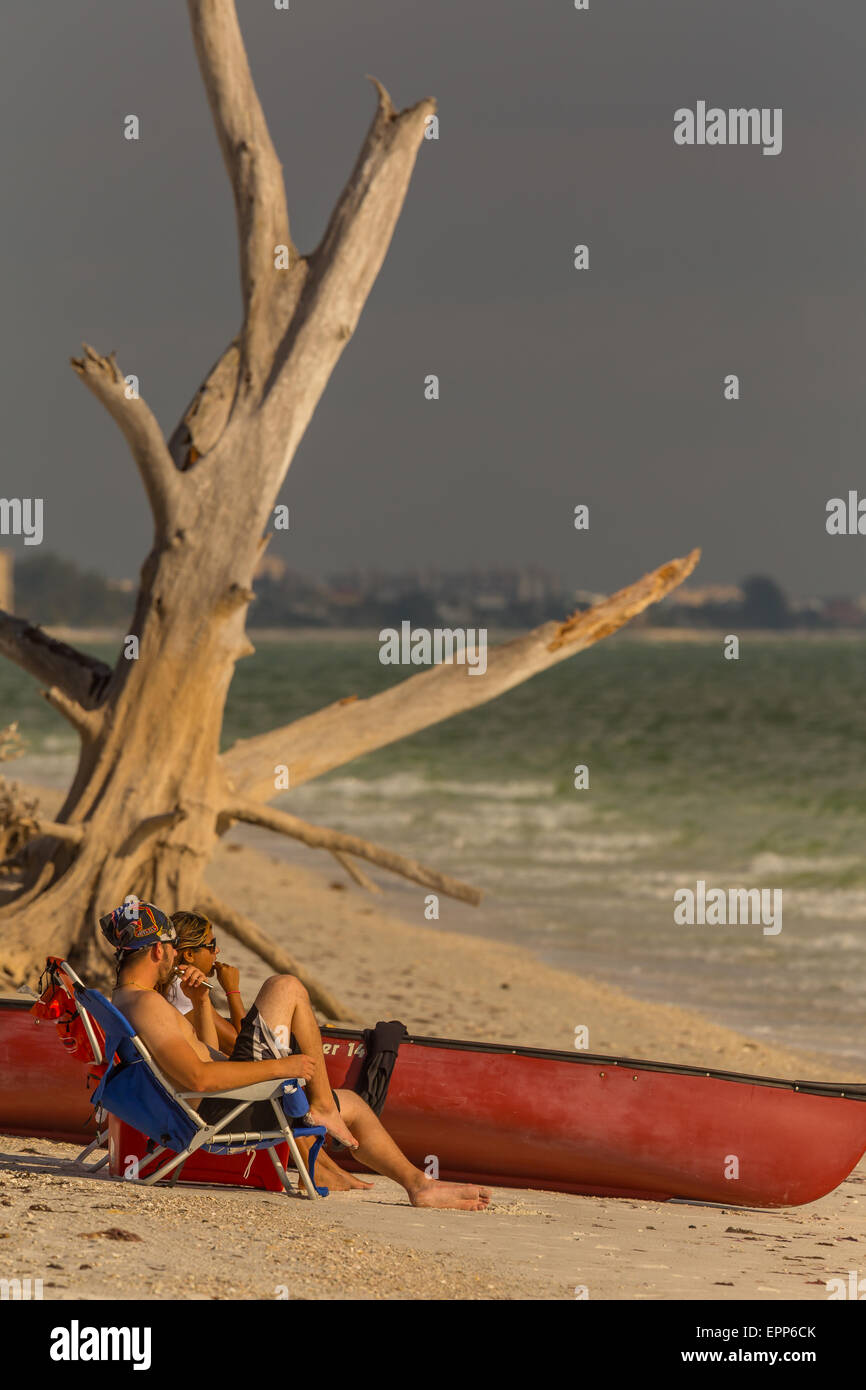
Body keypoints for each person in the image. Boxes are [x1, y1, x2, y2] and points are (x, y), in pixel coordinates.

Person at [101, 897, 491, 1211]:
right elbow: (198, 1078)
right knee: (286, 986)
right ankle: (326, 1110)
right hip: (219, 1112)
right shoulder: (149, 1006)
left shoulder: (130, 999)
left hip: (213, 1103)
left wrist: (203, 1002)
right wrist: (283, 1066)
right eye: (171, 948)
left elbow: (199, 1055)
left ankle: (416, 1182)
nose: (174, 956)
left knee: (345, 1092)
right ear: (156, 951)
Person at [163, 910, 370, 1192]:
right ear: (188, 955)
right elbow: (240, 1044)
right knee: (284, 1009)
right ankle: (323, 1158)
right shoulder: (182, 996)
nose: (217, 951)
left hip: (211, 1087)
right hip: (220, 1100)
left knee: (283, 1063)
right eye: (211, 946)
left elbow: (224, 1046)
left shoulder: (178, 991)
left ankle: (327, 1167)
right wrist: (233, 992)